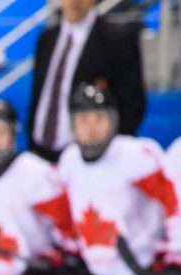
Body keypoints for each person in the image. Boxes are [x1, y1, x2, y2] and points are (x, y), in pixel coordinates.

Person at [56, 84, 181, 275]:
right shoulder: (68, 161)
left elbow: (175, 205)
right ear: (72, 124)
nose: (91, 128)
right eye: (83, 119)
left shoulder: (138, 157)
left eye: (99, 118)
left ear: (113, 121)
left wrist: (175, 260)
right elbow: (65, 218)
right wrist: (71, 256)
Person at [0, 98, 80, 275]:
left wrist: (51, 265)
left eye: (1, 132)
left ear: (13, 135)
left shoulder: (37, 173)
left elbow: (68, 232)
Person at [29, 0, 145, 161]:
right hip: (40, 155)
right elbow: (38, 97)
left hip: (89, 160)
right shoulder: (46, 39)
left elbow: (133, 105)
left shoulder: (118, 39)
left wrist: (104, 156)